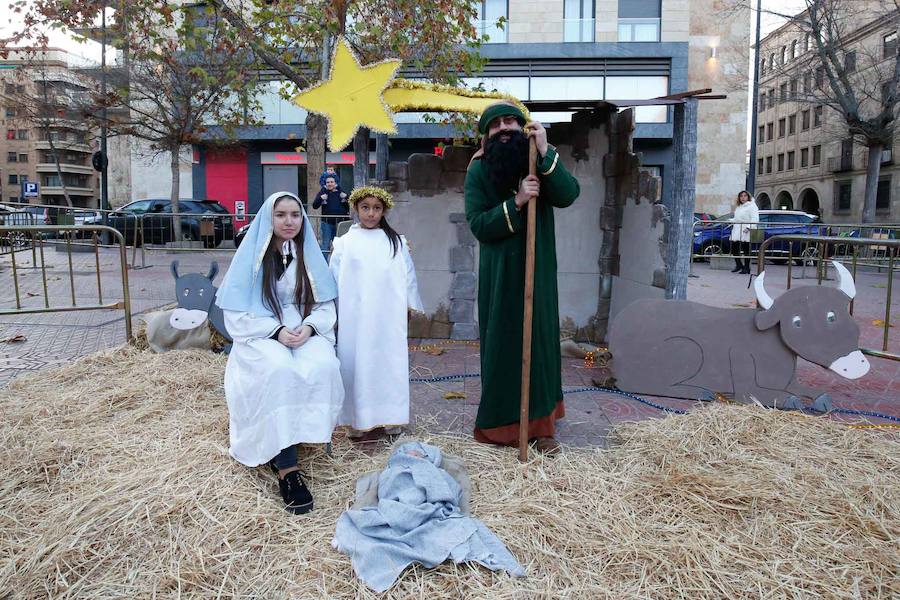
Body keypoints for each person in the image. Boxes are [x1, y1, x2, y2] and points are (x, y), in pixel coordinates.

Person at [215, 191, 344, 515]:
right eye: (281, 215)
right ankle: (287, 466)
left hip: (301, 330)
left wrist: (310, 328)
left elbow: (325, 306)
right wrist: (274, 332)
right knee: (279, 371)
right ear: (268, 219)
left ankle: (304, 432)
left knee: (324, 364)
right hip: (260, 332)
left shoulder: (308, 256)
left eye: (295, 215)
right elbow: (236, 315)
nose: (289, 221)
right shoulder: (252, 257)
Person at [464, 101, 580, 453]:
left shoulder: (541, 157)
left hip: (538, 268)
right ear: (486, 135)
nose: (504, 128)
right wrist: (516, 201)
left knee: (540, 343)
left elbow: (569, 194)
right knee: (503, 345)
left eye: (510, 121)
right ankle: (502, 427)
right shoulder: (479, 169)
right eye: (495, 124)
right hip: (500, 274)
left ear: (523, 126)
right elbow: (478, 224)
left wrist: (544, 152)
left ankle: (543, 427)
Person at [330, 185, 423, 439]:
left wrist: (409, 305)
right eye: (365, 208)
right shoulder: (344, 244)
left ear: (384, 211)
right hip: (356, 318)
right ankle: (356, 419)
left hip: (387, 318)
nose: (371, 213)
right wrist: (332, 312)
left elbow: (408, 276)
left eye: (376, 208)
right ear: (356, 209)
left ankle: (391, 416)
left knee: (388, 364)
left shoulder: (396, 242)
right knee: (356, 364)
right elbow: (334, 279)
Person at [313, 175, 349, 254]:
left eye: (331, 182)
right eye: (328, 182)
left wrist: (346, 197)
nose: (330, 184)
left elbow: (351, 204)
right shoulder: (322, 192)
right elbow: (314, 206)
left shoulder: (341, 192)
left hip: (340, 224)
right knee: (325, 245)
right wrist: (320, 198)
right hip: (327, 223)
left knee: (340, 245)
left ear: (335, 183)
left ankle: (340, 264)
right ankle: (323, 265)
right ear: (325, 184)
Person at [730, 190, 759, 274]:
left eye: (745, 196)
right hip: (737, 229)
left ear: (748, 197)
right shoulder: (739, 206)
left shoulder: (752, 206)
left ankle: (746, 268)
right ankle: (739, 265)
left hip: (746, 229)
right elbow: (738, 218)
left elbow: (755, 218)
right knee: (734, 248)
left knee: (746, 249)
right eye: (741, 196)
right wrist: (730, 220)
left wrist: (749, 227)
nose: (743, 198)